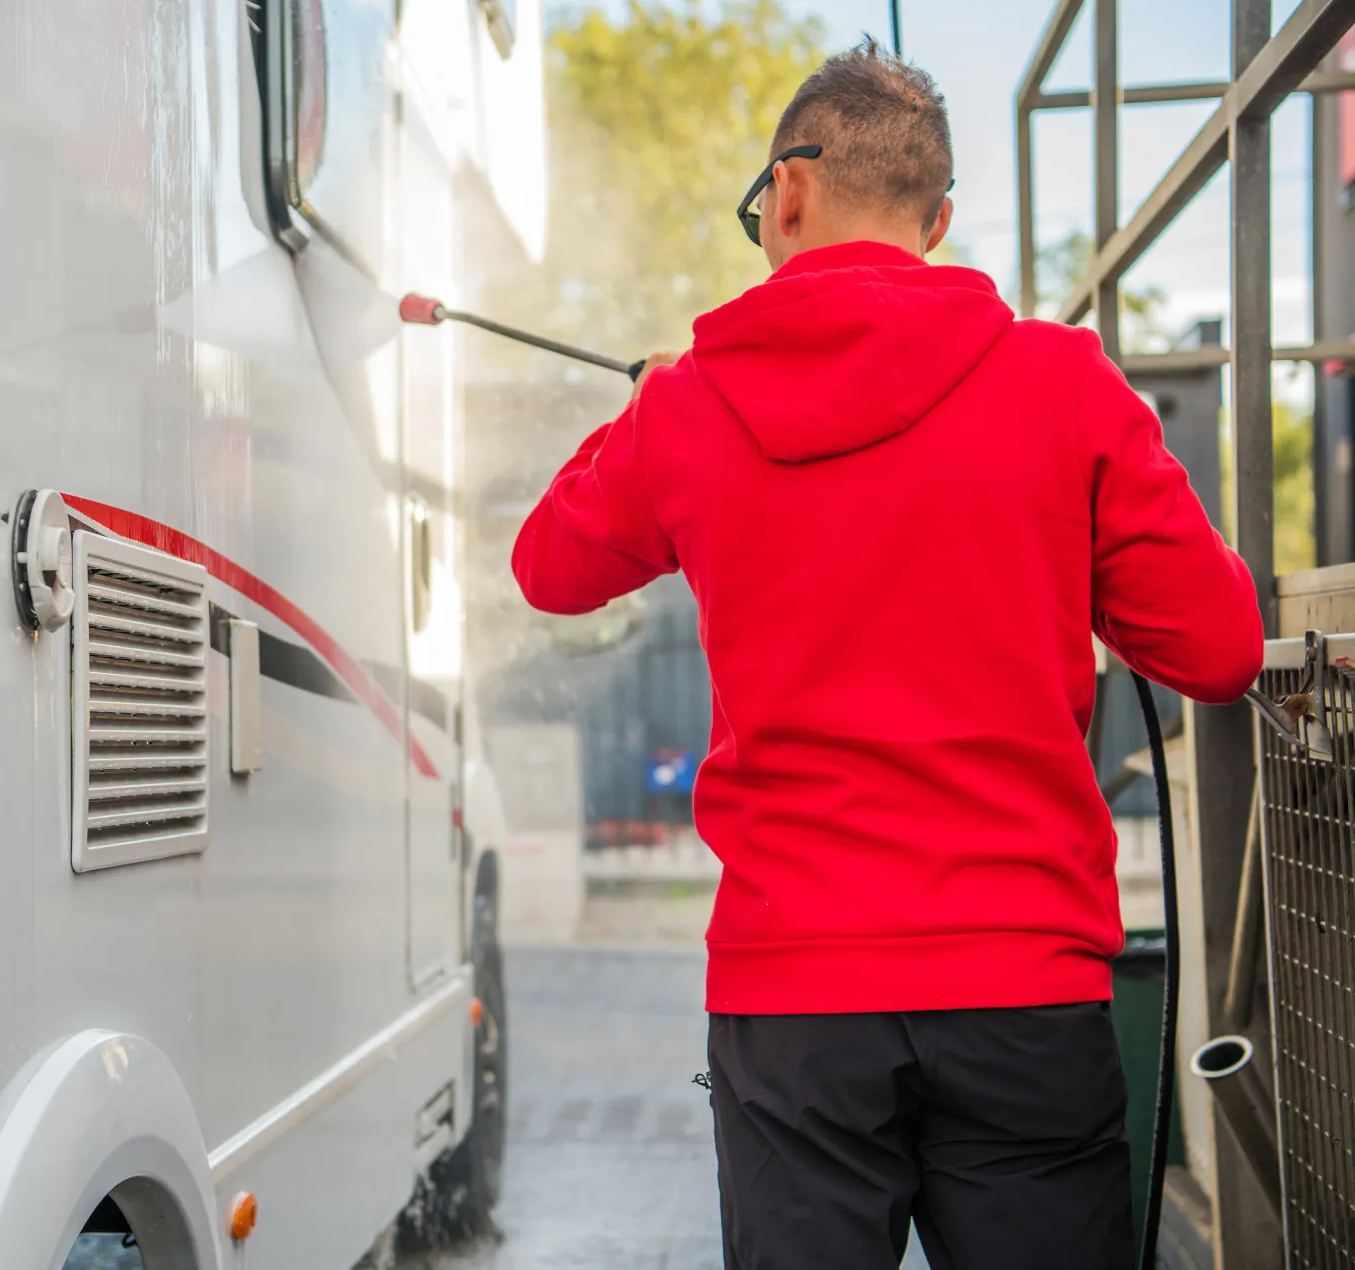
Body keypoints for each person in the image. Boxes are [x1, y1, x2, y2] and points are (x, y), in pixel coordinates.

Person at [511, 36, 1265, 1270]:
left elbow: (548, 562)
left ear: (790, 191)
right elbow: (1223, 646)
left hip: (793, 1001)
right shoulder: (1064, 382)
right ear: (940, 219)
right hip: (1024, 984)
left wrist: (646, 406)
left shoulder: (691, 405)